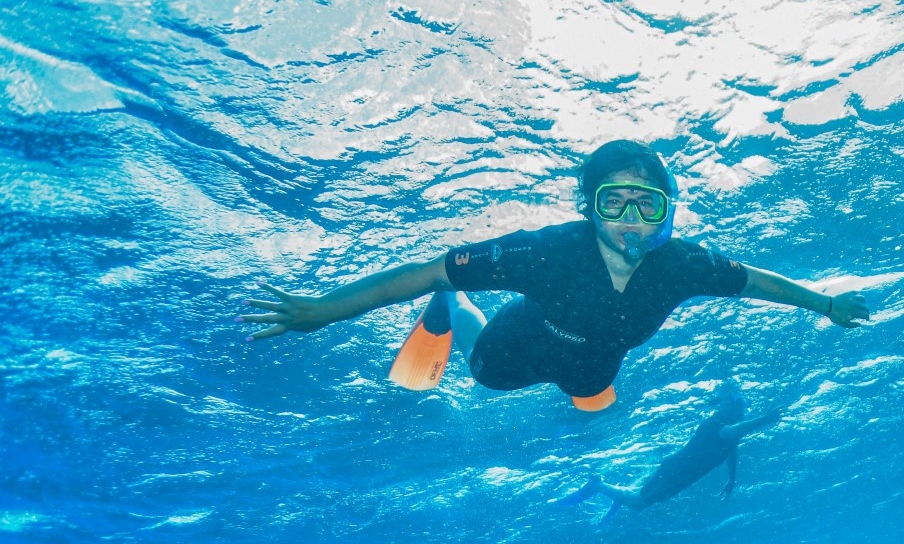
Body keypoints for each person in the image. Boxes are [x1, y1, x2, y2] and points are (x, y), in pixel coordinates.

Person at [243, 140, 871, 410]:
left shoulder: (685, 266)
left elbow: (757, 283)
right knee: (480, 375)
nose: (631, 222)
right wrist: (323, 311)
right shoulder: (546, 252)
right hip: (515, 348)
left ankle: (576, 396)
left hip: (597, 363)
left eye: (647, 205)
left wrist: (825, 304)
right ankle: (454, 310)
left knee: (594, 408)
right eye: (613, 204)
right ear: (587, 209)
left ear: (668, 212)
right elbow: (423, 268)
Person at [563, 380, 782, 520]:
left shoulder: (729, 434)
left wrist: (732, 479)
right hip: (676, 471)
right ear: (724, 405)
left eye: (742, 405)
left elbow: (732, 449)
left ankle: (618, 494)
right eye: (736, 403)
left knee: (640, 496)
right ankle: (599, 485)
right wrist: (764, 420)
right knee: (639, 503)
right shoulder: (715, 424)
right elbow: (731, 433)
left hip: (679, 472)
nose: (741, 408)